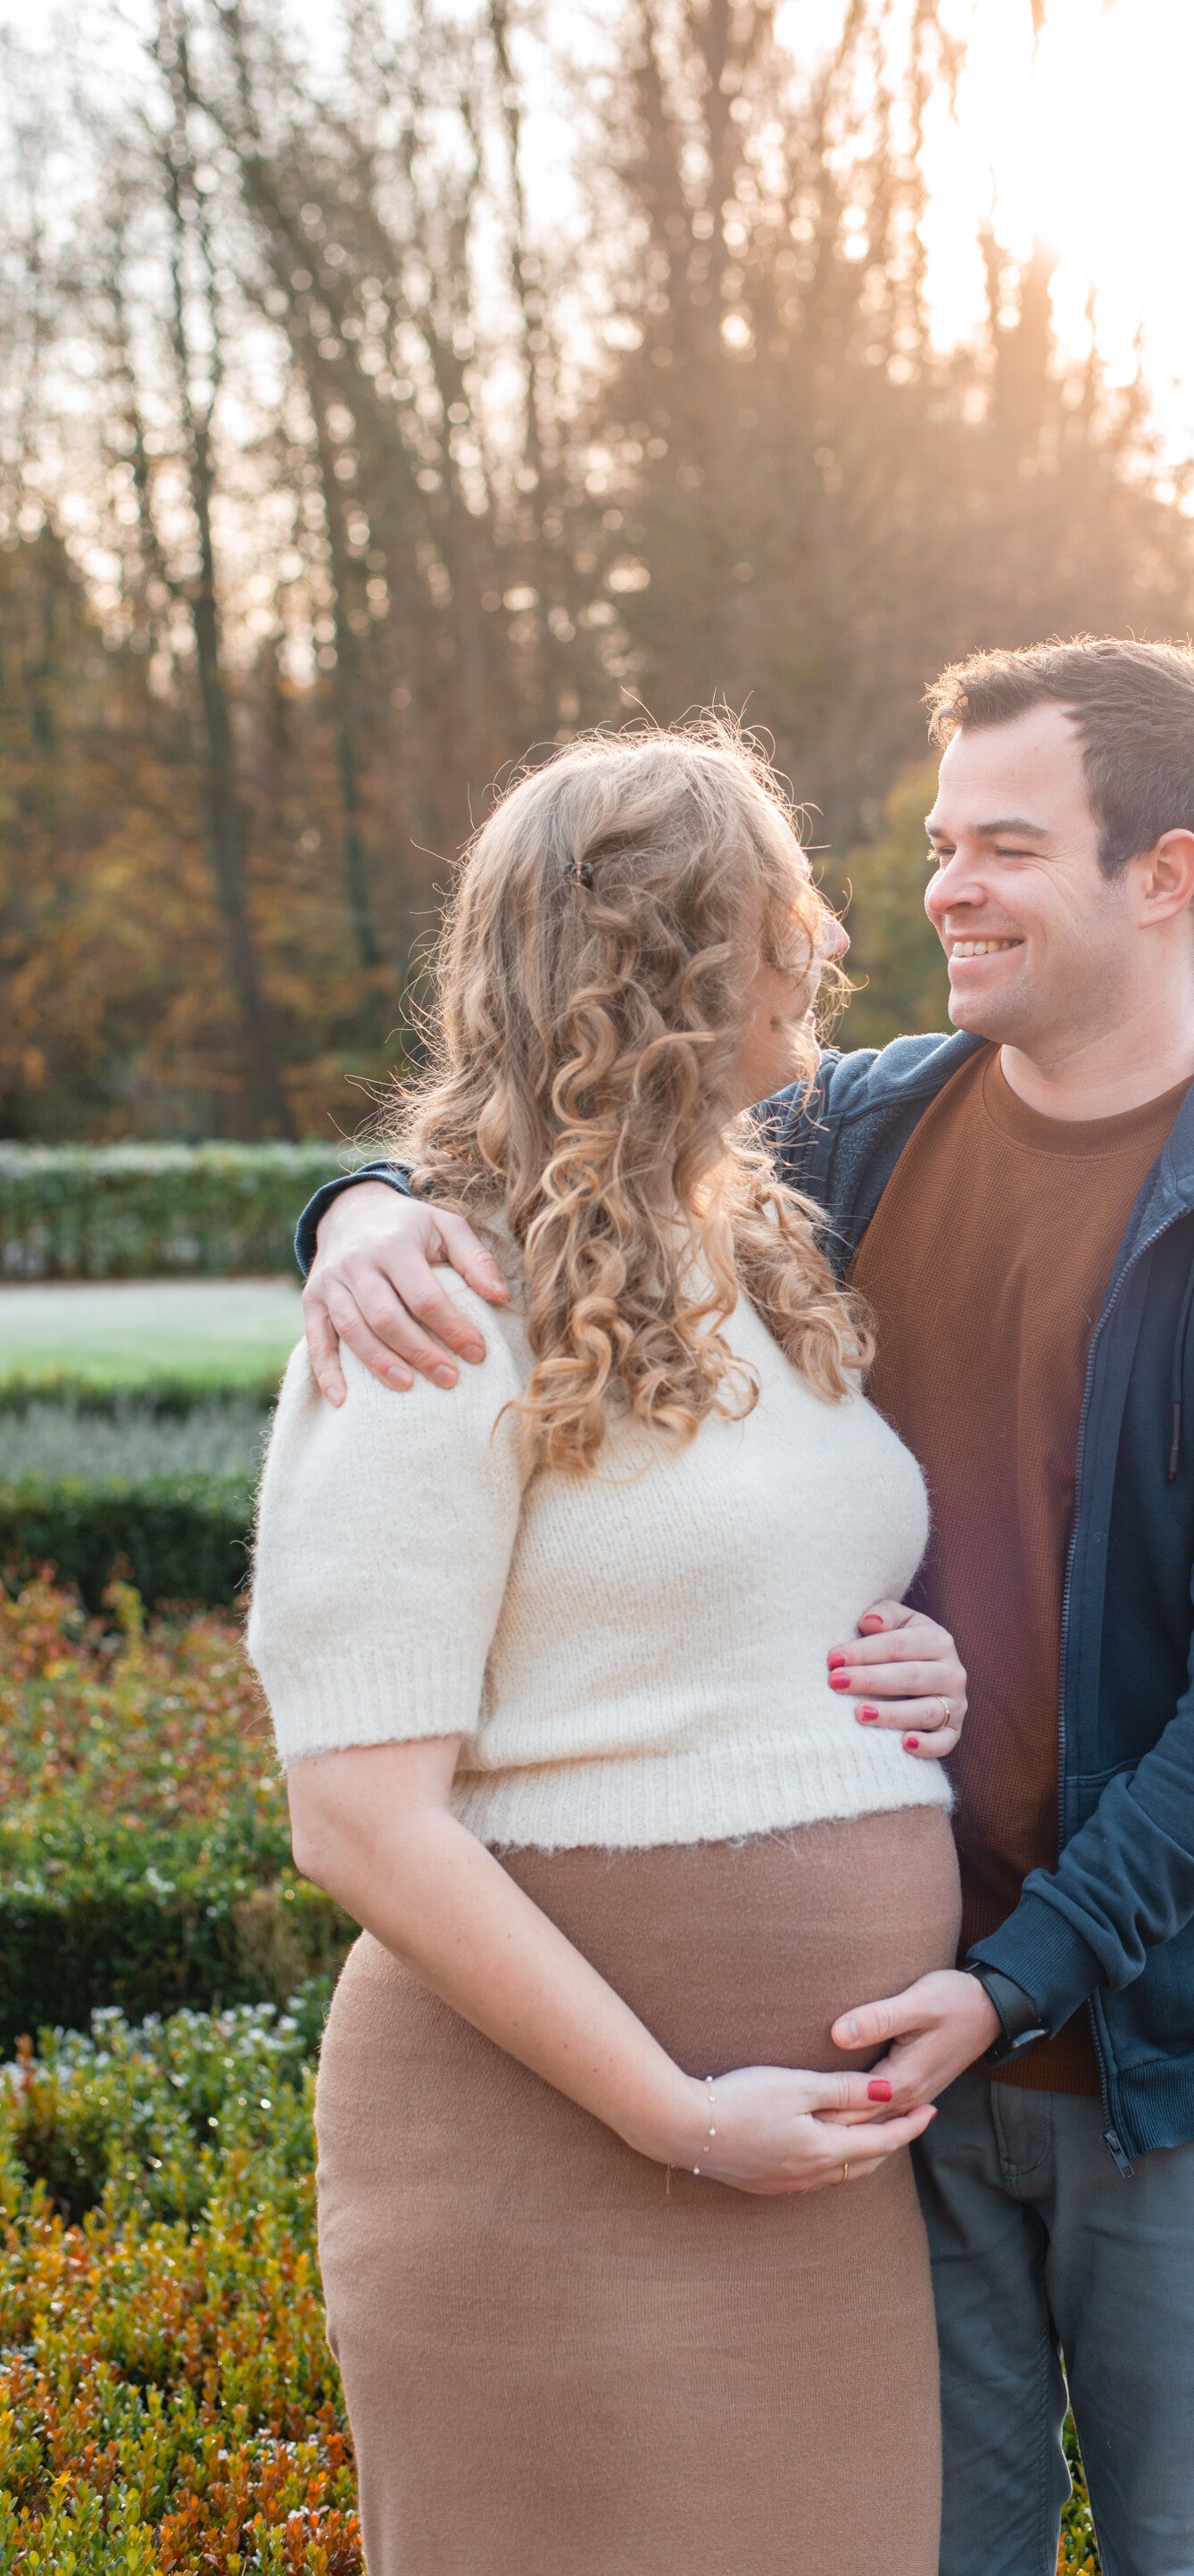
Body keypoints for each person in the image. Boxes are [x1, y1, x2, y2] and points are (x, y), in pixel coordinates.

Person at [295, 639, 1194, 2576]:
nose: (931, 894)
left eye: (1003, 845)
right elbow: (568, 1108)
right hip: (882, 2067)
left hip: (1143, 2054)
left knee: (1178, 2547)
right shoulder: (856, 1136)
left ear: (1164, 875)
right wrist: (359, 1208)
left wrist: (1017, 1981)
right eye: (930, 842)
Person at [247, 724, 982, 2576]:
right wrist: (675, 2117)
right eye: (778, 908)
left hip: (806, 2168)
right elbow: (355, 1817)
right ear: (663, 958)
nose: (823, 939)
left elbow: (736, 1606)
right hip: (566, 2155)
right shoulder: (430, 1298)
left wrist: (917, 1689)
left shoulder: (758, 1248)